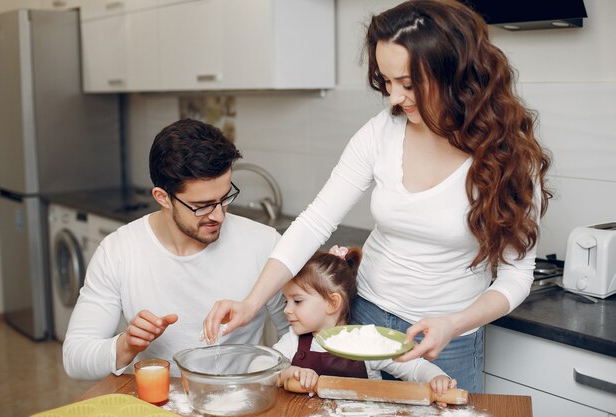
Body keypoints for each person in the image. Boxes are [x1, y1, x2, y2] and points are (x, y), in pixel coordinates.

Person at [203, 0, 552, 393]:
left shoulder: (509, 158)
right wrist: (251, 303)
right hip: (362, 323)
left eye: (408, 83)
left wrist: (453, 324)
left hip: (446, 339)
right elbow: (316, 219)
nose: (393, 98)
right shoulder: (382, 132)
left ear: (453, 72)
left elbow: (516, 275)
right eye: (386, 82)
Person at [63, 119, 289, 380]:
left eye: (225, 198)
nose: (218, 215)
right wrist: (125, 345)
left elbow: (297, 341)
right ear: (162, 198)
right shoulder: (119, 251)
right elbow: (75, 358)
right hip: (159, 402)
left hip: (238, 400)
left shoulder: (264, 244)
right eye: (202, 205)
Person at [274, 245, 456, 405]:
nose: (287, 310)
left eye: (297, 301)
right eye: (285, 301)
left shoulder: (366, 343)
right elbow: (261, 367)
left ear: (332, 303)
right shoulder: (293, 341)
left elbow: (414, 367)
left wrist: (437, 378)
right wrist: (288, 372)